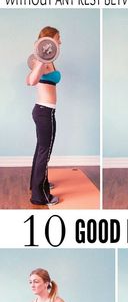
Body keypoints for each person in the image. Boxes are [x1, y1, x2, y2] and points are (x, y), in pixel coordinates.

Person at [27, 26, 61, 206]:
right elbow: (31, 80)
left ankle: (36, 184)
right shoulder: (41, 60)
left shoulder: (49, 60)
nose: (60, 42)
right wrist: (41, 59)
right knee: (44, 152)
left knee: (41, 149)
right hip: (44, 112)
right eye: (57, 39)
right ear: (48, 40)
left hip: (44, 111)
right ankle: (40, 196)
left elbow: (32, 79)